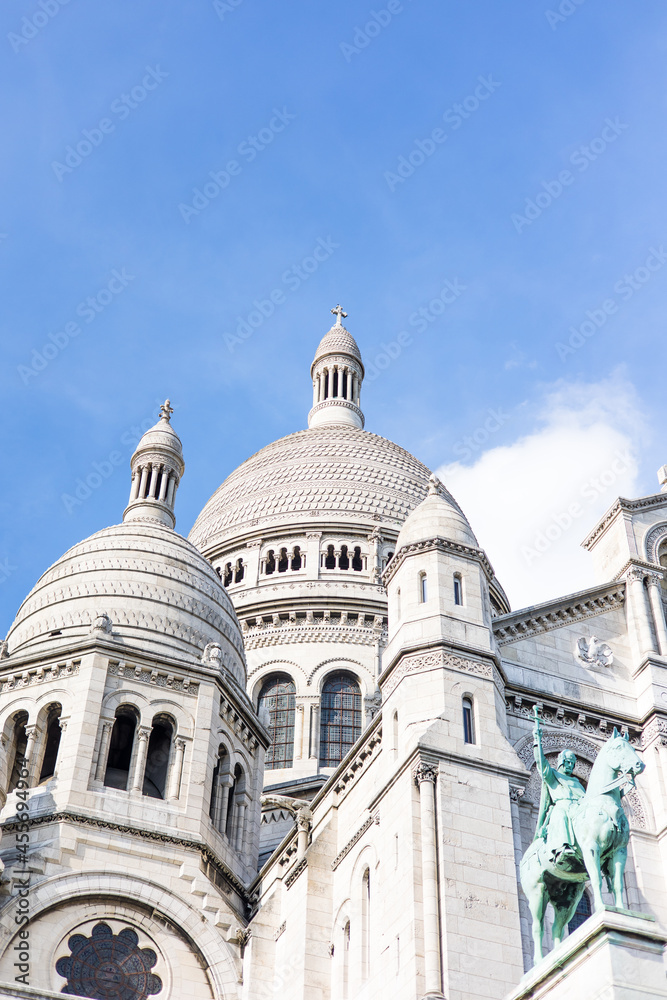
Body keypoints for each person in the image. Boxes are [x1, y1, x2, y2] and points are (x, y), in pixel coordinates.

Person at [533, 712, 585, 864]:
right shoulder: (553, 775)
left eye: (572, 763)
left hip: (576, 808)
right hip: (561, 807)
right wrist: (537, 740)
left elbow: (586, 800)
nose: (570, 765)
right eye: (567, 762)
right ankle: (563, 848)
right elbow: (541, 763)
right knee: (561, 814)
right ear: (561, 762)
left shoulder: (576, 782)